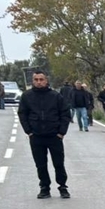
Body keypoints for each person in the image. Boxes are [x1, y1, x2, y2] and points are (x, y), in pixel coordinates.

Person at [17, 69, 71, 199]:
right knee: (40, 164)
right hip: (36, 136)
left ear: (46, 81)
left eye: (41, 80)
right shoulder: (27, 96)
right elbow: (22, 114)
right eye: (36, 80)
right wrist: (29, 131)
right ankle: (44, 187)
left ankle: (63, 187)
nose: (39, 82)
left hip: (54, 136)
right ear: (33, 81)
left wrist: (61, 132)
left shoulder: (55, 96)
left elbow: (65, 114)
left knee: (58, 163)